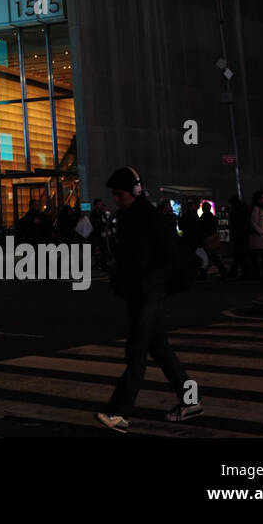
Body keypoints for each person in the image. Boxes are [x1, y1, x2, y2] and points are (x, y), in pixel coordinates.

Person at [96, 166, 199, 433]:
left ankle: (118, 413)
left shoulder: (149, 218)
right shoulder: (131, 216)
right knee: (161, 351)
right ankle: (191, 401)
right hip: (140, 292)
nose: (116, 199)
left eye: (119, 194)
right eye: (114, 195)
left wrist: (145, 283)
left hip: (148, 294)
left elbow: (169, 259)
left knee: (137, 352)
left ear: (134, 191)